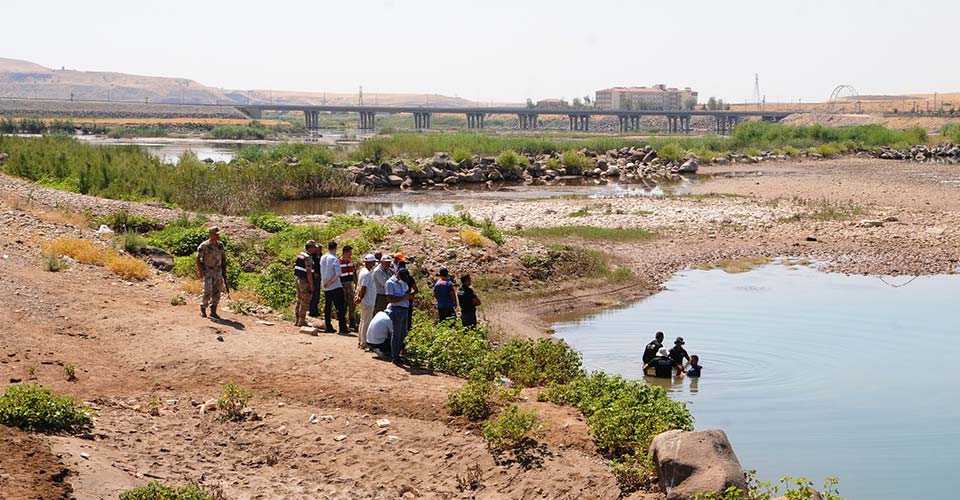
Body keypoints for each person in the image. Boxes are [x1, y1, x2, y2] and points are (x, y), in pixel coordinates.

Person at [195, 226, 226, 319]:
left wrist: (224, 271)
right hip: (208, 270)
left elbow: (223, 258)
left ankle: (213, 311)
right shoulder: (204, 245)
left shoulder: (220, 245)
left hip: (218, 270)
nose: (217, 236)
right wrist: (200, 271)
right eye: (216, 234)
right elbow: (198, 258)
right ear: (211, 234)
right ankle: (203, 308)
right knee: (208, 290)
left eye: (218, 234)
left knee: (217, 291)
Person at [385, 267, 414, 365]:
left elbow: (406, 292)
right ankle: (395, 356)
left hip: (405, 309)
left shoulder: (403, 282)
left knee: (403, 333)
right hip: (396, 310)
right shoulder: (390, 283)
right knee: (396, 333)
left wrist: (408, 296)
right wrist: (404, 297)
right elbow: (390, 299)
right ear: (398, 275)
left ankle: (399, 353)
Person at [319, 241, 348, 334]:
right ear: (335, 248)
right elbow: (338, 273)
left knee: (328, 307)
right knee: (340, 307)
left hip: (325, 286)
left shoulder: (323, 258)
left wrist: (326, 282)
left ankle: (328, 326)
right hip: (335, 285)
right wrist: (331, 282)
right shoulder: (334, 259)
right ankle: (342, 327)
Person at [354, 253, 378, 348]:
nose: (374, 264)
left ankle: (361, 340)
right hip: (368, 301)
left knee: (363, 320)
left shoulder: (363, 271)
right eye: (373, 262)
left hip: (366, 300)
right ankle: (364, 342)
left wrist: (358, 296)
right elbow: (363, 287)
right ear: (370, 263)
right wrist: (360, 297)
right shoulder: (367, 274)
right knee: (366, 322)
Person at [293, 241, 317, 327]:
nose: (315, 249)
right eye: (314, 247)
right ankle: (301, 321)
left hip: (298, 279)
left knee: (299, 299)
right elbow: (308, 272)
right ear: (310, 248)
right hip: (304, 281)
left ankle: (297, 320)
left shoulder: (301, 255)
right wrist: (311, 285)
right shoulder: (307, 257)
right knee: (305, 300)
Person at [339, 245, 358, 332]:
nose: (351, 254)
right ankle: (343, 322)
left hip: (350, 285)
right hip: (342, 285)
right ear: (345, 252)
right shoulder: (338, 262)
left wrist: (356, 283)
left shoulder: (350, 262)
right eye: (350, 252)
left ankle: (352, 322)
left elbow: (354, 273)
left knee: (352, 304)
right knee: (343, 304)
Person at [396, 258, 418, 331]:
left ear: (398, 266)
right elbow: (416, 290)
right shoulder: (410, 278)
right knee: (408, 317)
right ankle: (408, 331)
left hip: (399, 299)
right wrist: (411, 295)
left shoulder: (398, 278)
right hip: (408, 299)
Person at [308, 241, 323, 318]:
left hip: (319, 276)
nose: (319, 250)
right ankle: (311, 310)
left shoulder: (320, 256)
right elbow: (310, 267)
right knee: (313, 293)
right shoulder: (312, 256)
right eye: (318, 248)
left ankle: (315, 310)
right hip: (313, 277)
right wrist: (314, 273)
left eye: (320, 248)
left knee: (317, 294)